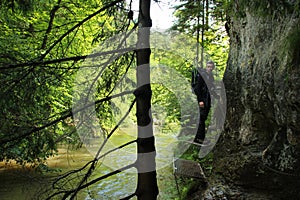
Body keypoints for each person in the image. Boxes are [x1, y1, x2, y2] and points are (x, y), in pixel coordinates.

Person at [192, 60, 219, 145]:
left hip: (208, 99)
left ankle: (199, 137)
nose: (210, 68)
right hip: (202, 99)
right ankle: (199, 138)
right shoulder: (202, 75)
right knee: (201, 118)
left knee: (203, 118)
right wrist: (200, 100)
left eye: (211, 67)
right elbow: (197, 88)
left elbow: (211, 89)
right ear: (206, 66)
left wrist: (217, 97)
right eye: (208, 67)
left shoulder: (211, 77)